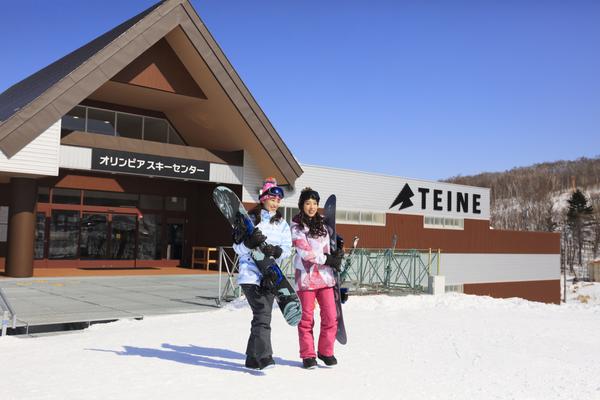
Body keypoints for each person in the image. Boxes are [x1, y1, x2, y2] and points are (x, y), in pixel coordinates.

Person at [233, 177, 292, 370]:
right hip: (250, 273)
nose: (275, 203)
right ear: (263, 198)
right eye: (272, 198)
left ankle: (252, 358)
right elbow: (236, 248)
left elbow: (288, 248)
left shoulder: (282, 224)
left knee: (261, 316)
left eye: (278, 200)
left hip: (269, 274)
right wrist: (247, 244)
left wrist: (278, 252)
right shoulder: (249, 219)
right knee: (262, 313)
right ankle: (265, 357)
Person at [291, 187, 344, 369]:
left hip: (326, 278)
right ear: (301, 205)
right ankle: (308, 355)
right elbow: (306, 253)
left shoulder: (323, 224)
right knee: (306, 319)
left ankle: (325, 351)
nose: (312, 207)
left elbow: (330, 244)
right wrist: (328, 259)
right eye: (308, 203)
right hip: (306, 278)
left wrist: (338, 247)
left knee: (331, 316)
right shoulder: (297, 226)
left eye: (314, 203)